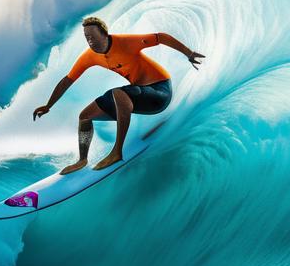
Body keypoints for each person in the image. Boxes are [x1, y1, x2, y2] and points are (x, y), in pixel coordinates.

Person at [33, 16, 204, 173]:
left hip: (160, 92)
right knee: (85, 116)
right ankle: (82, 160)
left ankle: (116, 151)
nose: (89, 41)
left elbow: (161, 37)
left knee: (117, 93)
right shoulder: (90, 56)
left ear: (105, 34)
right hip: (139, 94)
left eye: (92, 36)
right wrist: (49, 105)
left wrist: (189, 53)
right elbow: (67, 80)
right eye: (87, 37)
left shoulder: (126, 42)